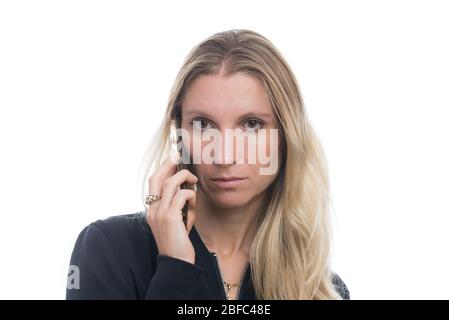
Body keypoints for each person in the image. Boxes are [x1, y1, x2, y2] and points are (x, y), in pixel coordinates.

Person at [66, 29, 350, 300]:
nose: (225, 156)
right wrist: (175, 269)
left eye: (251, 124)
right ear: (178, 133)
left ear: (287, 136)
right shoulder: (108, 250)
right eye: (203, 125)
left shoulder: (320, 288)